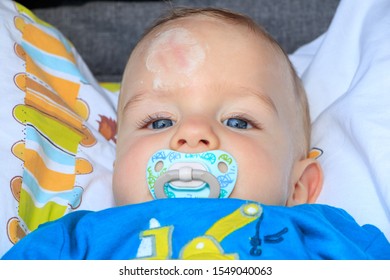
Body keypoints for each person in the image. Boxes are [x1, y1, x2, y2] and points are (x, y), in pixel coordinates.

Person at [2, 7, 389, 260]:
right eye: (158, 122)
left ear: (298, 186)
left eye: (238, 121)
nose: (192, 132)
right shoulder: (74, 240)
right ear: (118, 164)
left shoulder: (322, 235)